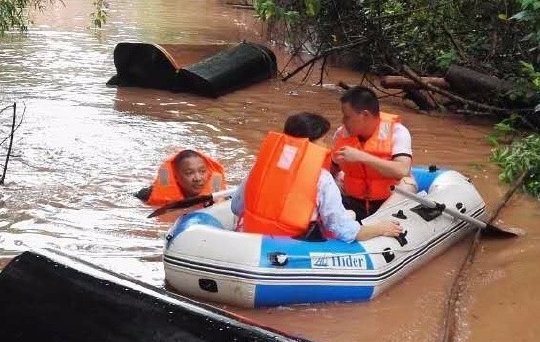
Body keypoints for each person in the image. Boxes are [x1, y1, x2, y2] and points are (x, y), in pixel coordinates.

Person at [230, 112, 403, 242]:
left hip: (251, 240)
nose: (325, 146)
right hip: (296, 247)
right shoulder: (322, 178)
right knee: (347, 217)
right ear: (309, 143)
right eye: (322, 140)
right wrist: (380, 229)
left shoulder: (261, 166)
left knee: (347, 213)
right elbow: (345, 231)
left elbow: (236, 206)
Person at [331, 86, 416, 220]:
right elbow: (331, 168)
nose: (343, 121)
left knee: (407, 184)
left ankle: (373, 223)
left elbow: (402, 170)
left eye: (347, 117)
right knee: (330, 178)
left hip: (386, 200)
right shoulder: (341, 134)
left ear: (365, 115)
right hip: (352, 200)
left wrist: (361, 157)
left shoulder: (398, 132)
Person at [137, 149, 225, 208]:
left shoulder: (221, 194)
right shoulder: (146, 195)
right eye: (189, 173)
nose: (198, 178)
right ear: (176, 177)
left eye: (202, 171)